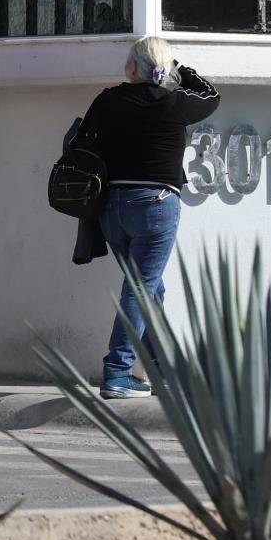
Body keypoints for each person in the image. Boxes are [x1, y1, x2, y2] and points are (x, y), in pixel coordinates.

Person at [76, 36, 219, 399]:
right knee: (142, 288)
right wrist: (179, 71)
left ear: (133, 68)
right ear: (163, 69)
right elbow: (211, 95)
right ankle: (118, 370)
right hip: (156, 204)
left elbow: (83, 140)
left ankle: (165, 373)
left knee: (150, 289)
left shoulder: (108, 100)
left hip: (112, 209)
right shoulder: (175, 102)